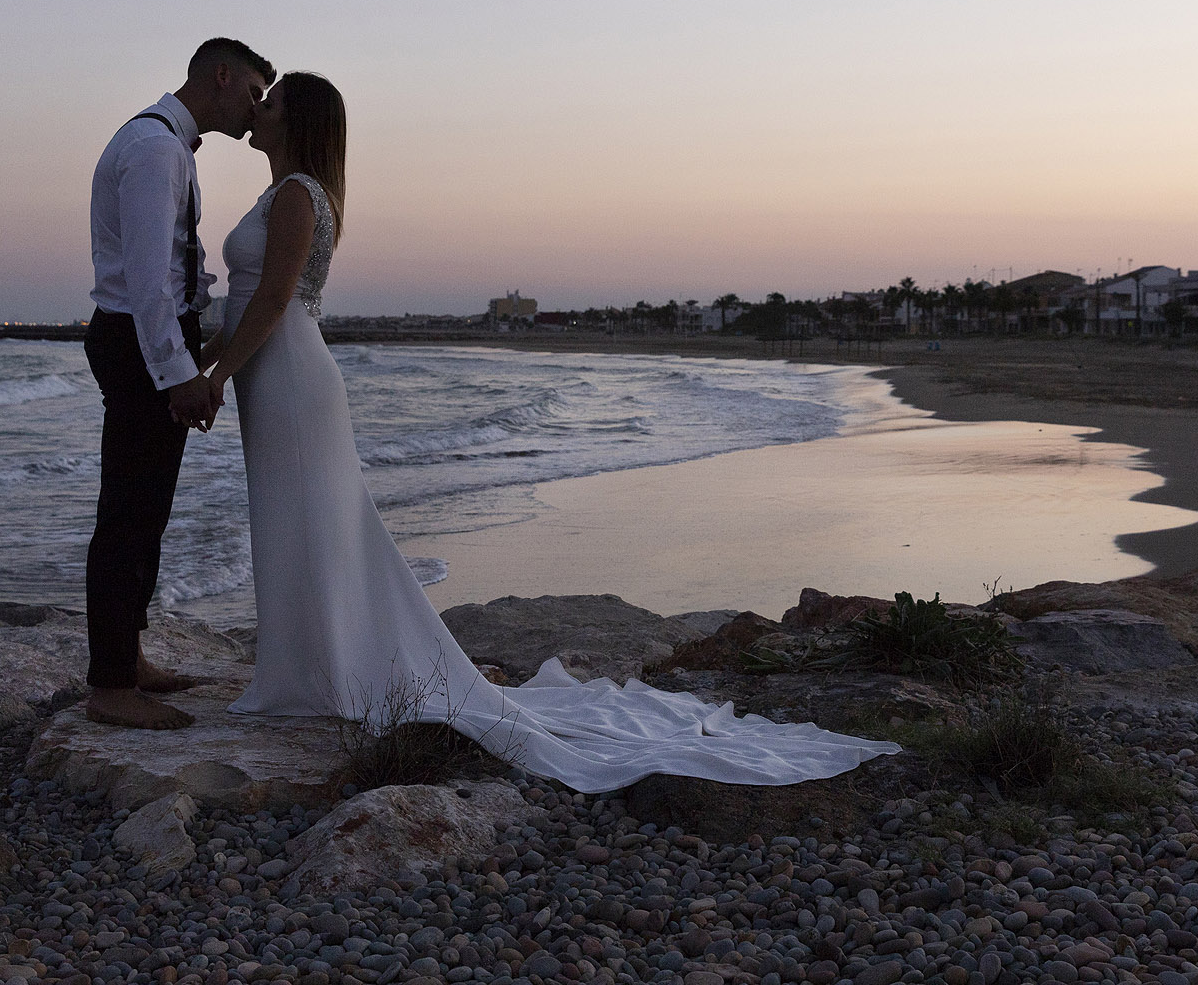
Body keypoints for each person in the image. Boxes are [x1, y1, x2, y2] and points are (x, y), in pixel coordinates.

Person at [203, 71, 898, 790]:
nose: (261, 107)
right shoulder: (285, 193)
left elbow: (277, 298)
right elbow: (251, 302)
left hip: (288, 378)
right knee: (301, 522)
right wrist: (204, 361)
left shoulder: (295, 196)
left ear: (300, 121)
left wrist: (215, 376)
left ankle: (320, 678)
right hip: (277, 375)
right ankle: (310, 671)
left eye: (274, 99)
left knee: (307, 522)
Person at [83, 38, 274, 730]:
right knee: (128, 515)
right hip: (139, 343)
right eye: (252, 92)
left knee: (147, 511)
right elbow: (147, 277)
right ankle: (109, 685)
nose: (256, 111)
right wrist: (179, 373)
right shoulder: (156, 149)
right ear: (220, 76)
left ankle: (127, 660)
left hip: (147, 341)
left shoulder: (167, 144)